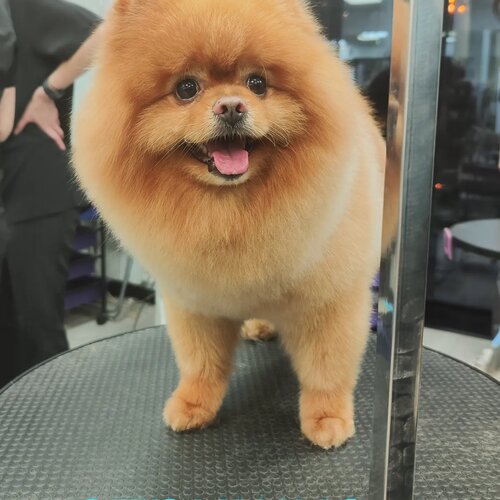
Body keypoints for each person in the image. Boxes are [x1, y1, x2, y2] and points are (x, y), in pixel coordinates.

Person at [0, 0, 102, 388]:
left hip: (40, 192)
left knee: (37, 327)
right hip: (9, 195)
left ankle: (52, 415)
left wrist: (49, 90)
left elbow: (108, 34)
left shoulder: (25, 9)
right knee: (8, 329)